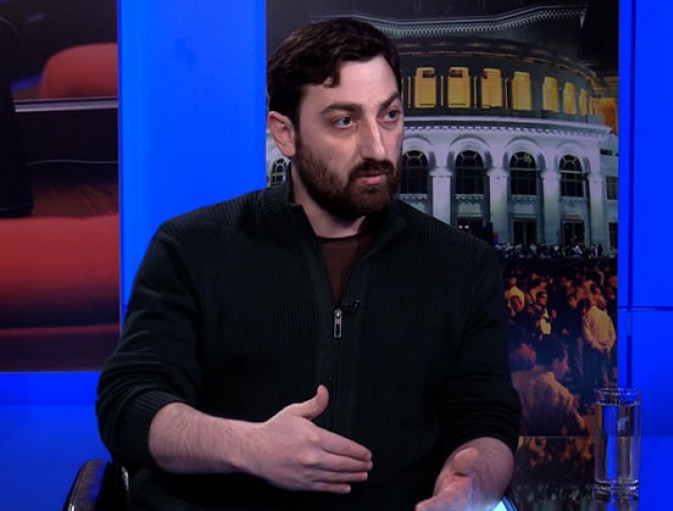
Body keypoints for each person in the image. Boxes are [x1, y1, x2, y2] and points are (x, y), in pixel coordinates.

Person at [96, 17, 520, 511]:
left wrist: (470, 487)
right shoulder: (192, 247)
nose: (377, 147)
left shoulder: (462, 265)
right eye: (344, 121)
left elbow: (487, 422)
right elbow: (129, 404)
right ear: (285, 133)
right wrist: (249, 447)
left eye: (389, 115)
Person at [511, 339, 587, 436]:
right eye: (566, 362)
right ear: (556, 362)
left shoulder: (512, 380)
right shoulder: (562, 395)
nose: (567, 368)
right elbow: (579, 430)